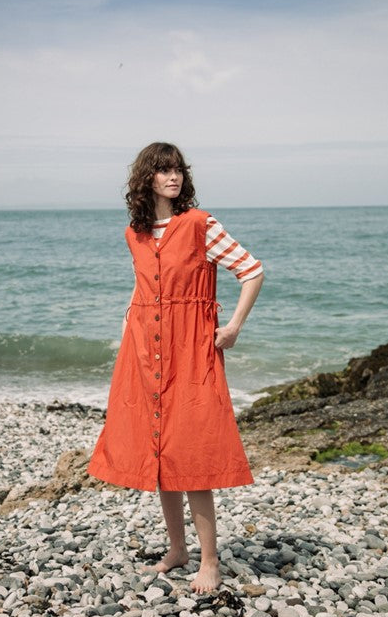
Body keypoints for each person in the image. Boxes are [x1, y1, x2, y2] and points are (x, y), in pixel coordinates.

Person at [87, 142, 264, 594]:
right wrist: (127, 338)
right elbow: (140, 289)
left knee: (192, 453)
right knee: (160, 452)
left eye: (178, 170)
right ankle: (178, 550)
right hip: (144, 350)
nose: (174, 177)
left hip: (191, 351)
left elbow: (252, 270)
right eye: (164, 170)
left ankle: (210, 561)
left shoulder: (201, 225)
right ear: (146, 178)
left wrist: (233, 327)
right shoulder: (136, 233)